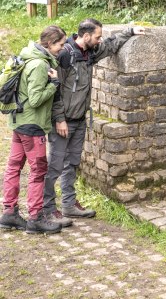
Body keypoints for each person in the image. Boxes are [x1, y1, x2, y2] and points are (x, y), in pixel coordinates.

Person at [43, 19, 145, 226]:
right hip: (62, 122)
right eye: (97, 36)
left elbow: (111, 44)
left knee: (72, 164)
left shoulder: (90, 53)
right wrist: (59, 119)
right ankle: (47, 209)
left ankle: (69, 205)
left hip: (80, 119)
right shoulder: (64, 55)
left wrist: (131, 31)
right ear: (86, 35)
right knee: (54, 166)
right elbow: (54, 90)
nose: (99, 40)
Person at [0, 25, 67, 234]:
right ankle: (35, 218)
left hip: (19, 121)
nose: (62, 49)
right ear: (49, 43)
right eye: (60, 44)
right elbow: (36, 99)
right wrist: (54, 83)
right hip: (33, 125)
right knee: (38, 170)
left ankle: (9, 213)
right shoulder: (39, 64)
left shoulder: (27, 55)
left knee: (14, 167)